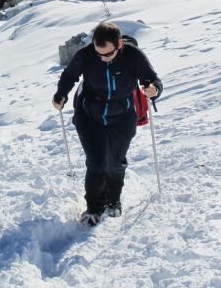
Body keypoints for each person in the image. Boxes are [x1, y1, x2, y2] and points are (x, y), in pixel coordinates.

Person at [52, 21, 163, 226]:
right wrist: (60, 95)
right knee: (96, 161)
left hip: (122, 115)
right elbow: (70, 75)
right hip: (89, 114)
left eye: (107, 54)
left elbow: (152, 79)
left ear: (119, 45)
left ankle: (113, 201)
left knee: (115, 161)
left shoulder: (132, 55)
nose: (102, 58)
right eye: (98, 53)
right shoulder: (86, 54)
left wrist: (154, 89)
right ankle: (94, 208)